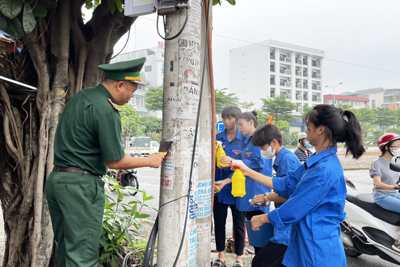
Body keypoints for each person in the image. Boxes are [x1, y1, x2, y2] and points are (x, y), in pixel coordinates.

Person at [45, 57, 165, 267]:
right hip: (80, 188)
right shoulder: (106, 109)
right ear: (120, 85)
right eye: (131, 91)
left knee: (67, 250)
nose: (131, 97)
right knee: (82, 258)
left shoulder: (81, 97)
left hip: (57, 181)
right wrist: (149, 160)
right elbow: (114, 161)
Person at [232, 104, 365, 267]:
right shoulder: (317, 161)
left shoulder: (324, 169)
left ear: (321, 129)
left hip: (317, 247)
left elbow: (296, 206)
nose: (306, 131)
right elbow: (286, 183)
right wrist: (247, 170)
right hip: (305, 240)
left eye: (308, 127)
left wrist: (264, 217)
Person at [217, 111, 273, 257]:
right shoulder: (248, 141)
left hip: (258, 193)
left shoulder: (257, 141)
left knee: (261, 237)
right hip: (249, 194)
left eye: (241, 124)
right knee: (255, 236)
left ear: (251, 122)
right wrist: (226, 180)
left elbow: (257, 164)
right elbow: (242, 170)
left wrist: (233, 162)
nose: (239, 127)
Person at [249, 124, 301, 267]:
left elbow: (291, 196)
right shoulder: (282, 159)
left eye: (262, 147)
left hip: (288, 227)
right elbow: (283, 191)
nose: (261, 151)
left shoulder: (287, 160)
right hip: (284, 224)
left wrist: (266, 197)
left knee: (260, 262)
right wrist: (268, 197)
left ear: (274, 142)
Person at [212, 106, 245, 267]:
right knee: (219, 223)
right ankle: (221, 256)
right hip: (219, 189)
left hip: (237, 189)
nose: (226, 121)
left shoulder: (244, 140)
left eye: (230, 118)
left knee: (239, 225)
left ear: (237, 120)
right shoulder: (217, 139)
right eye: (224, 118)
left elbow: (246, 166)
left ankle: (239, 258)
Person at [370, 133, 400, 252]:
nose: (399, 148)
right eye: (396, 146)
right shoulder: (377, 163)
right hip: (381, 196)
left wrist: (397, 186)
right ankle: (398, 244)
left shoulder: (396, 161)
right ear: (386, 147)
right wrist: (395, 188)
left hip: (394, 193)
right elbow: (378, 184)